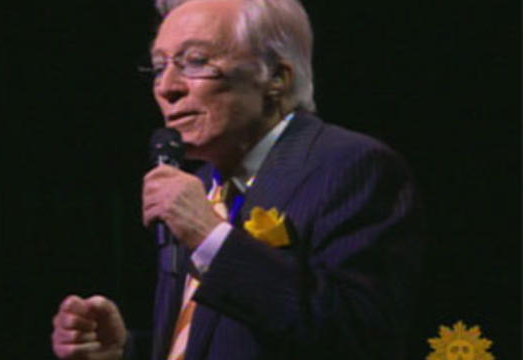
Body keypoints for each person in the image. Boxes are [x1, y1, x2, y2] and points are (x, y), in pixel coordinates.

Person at [51, 0, 424, 359]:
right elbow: (224, 339)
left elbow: (361, 337)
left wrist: (210, 236)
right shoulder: (199, 186)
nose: (168, 87)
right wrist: (125, 351)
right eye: (159, 66)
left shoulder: (351, 167)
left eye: (195, 62)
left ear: (276, 77)